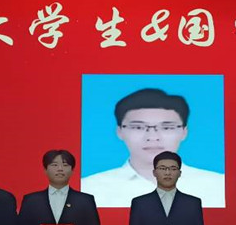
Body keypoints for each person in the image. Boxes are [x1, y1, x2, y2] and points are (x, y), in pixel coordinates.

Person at [81, 88, 225, 208]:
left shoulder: (217, 185)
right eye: (138, 127)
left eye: (167, 127)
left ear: (184, 132)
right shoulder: (90, 188)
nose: (152, 137)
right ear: (119, 132)